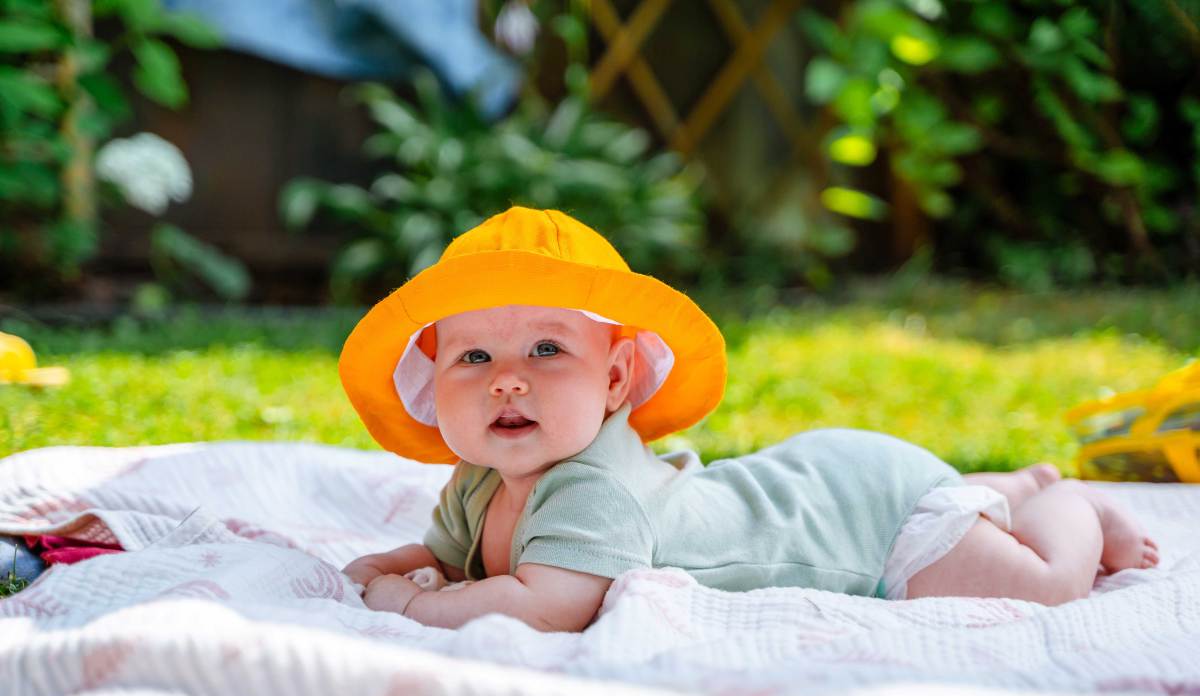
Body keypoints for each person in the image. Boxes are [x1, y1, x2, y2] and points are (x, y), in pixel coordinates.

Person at [339, 207, 1158, 632]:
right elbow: (448, 557)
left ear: (619, 378)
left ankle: (1068, 504)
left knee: (1042, 585)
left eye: (547, 350)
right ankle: (1000, 488)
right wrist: (384, 563)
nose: (508, 384)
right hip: (824, 481)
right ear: (435, 379)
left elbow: (545, 604)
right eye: (474, 358)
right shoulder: (481, 477)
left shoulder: (591, 489)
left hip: (866, 527)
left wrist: (408, 605)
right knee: (947, 498)